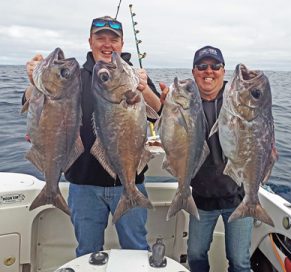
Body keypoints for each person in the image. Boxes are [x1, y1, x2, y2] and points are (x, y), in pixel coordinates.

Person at [24, 15, 161, 257]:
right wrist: (34, 80)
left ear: (122, 43)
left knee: (137, 250)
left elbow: (158, 111)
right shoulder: (73, 75)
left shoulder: (134, 76)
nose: (107, 44)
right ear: (90, 41)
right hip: (83, 183)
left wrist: (144, 88)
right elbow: (34, 104)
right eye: (101, 38)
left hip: (129, 182)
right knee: (87, 251)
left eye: (114, 39)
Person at [160, 46, 253, 272]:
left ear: (223, 71)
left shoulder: (237, 102)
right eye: (202, 66)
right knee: (195, 254)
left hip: (238, 197)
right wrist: (164, 105)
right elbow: (166, 128)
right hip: (202, 197)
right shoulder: (184, 103)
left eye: (215, 66)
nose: (208, 71)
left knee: (240, 261)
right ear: (194, 72)